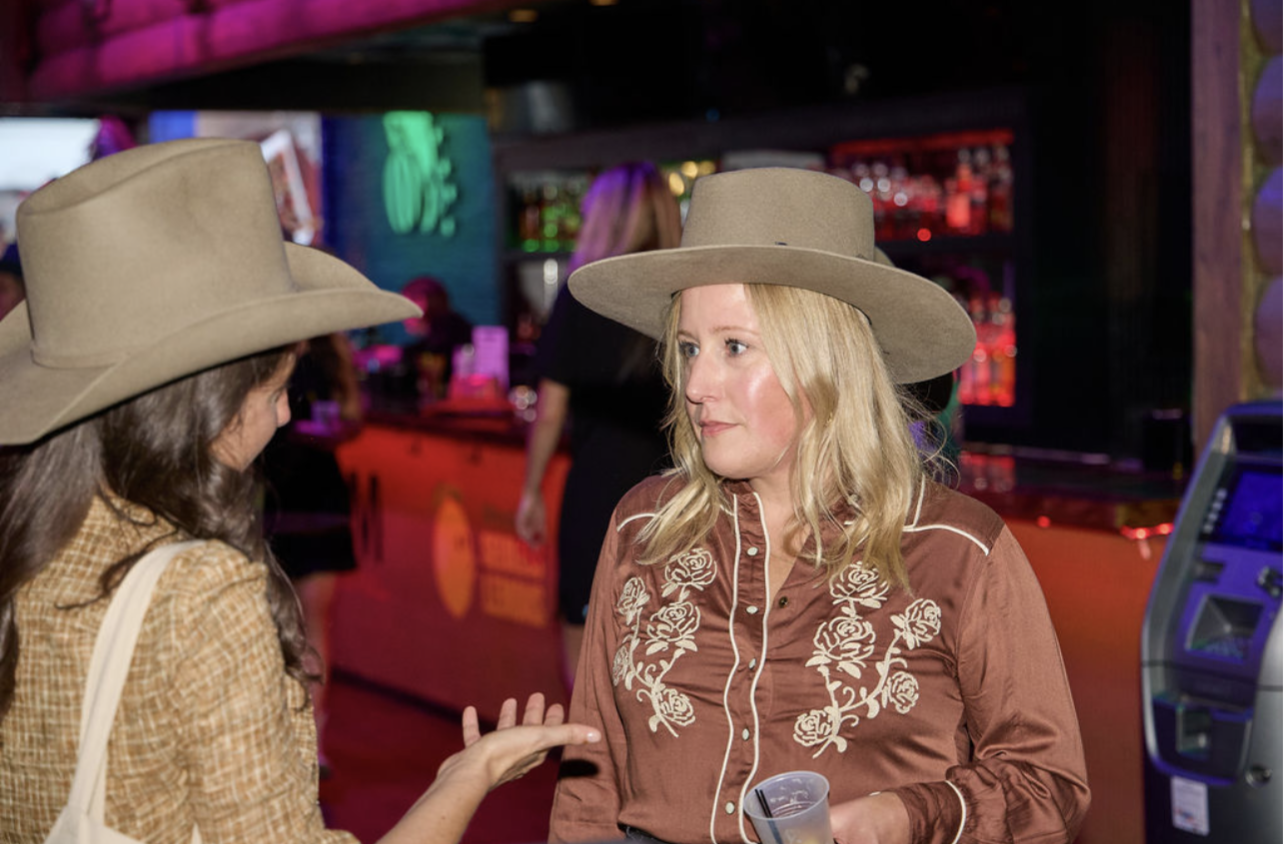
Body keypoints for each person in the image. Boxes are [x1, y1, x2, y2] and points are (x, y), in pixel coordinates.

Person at [0, 138, 597, 843]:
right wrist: (466, 778)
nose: (285, 414)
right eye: (276, 389)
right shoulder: (199, 591)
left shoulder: (30, 540)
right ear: (203, 398)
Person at [547, 168, 1090, 844]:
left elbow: (1047, 782)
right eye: (688, 349)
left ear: (825, 360)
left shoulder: (956, 550)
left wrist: (909, 815)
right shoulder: (643, 527)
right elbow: (590, 786)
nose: (697, 384)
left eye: (734, 347)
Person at [515, 162, 683, 687]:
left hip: (598, 487)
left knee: (584, 629)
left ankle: (591, 757)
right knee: (667, 631)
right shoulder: (681, 294)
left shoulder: (584, 292)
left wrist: (531, 491)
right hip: (675, 485)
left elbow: (551, 410)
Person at [261, 331, 365, 776]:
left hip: (295, 498)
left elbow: (352, 421)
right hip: (291, 498)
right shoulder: (324, 354)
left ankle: (308, 737)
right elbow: (352, 418)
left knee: (303, 624)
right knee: (297, 625)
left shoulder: (290, 352)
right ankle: (305, 737)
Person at [399, 274, 474, 398]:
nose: (401, 315)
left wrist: (395, 354)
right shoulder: (451, 324)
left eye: (403, 304)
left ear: (421, 301)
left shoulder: (447, 328)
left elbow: (434, 353)